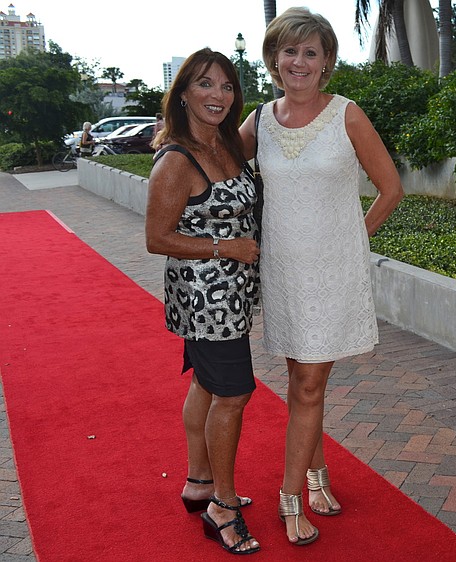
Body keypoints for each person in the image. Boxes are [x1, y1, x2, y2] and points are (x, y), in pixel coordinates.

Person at [239, 6, 403, 547]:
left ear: (327, 62)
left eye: (311, 52)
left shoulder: (347, 114)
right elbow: (221, 169)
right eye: (290, 50)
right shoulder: (260, 121)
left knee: (308, 383)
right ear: (274, 59)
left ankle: (289, 499)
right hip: (282, 273)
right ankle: (316, 475)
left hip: (330, 272)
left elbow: (390, 190)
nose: (299, 61)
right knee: (302, 382)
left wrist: (352, 241)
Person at [146, 47, 261, 556]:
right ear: (184, 93)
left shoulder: (230, 143)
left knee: (207, 384)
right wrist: (226, 248)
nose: (218, 95)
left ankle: (198, 481)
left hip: (232, 294)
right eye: (205, 84)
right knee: (234, 394)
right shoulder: (177, 158)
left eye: (227, 86)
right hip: (204, 299)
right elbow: (157, 237)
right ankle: (224, 505)